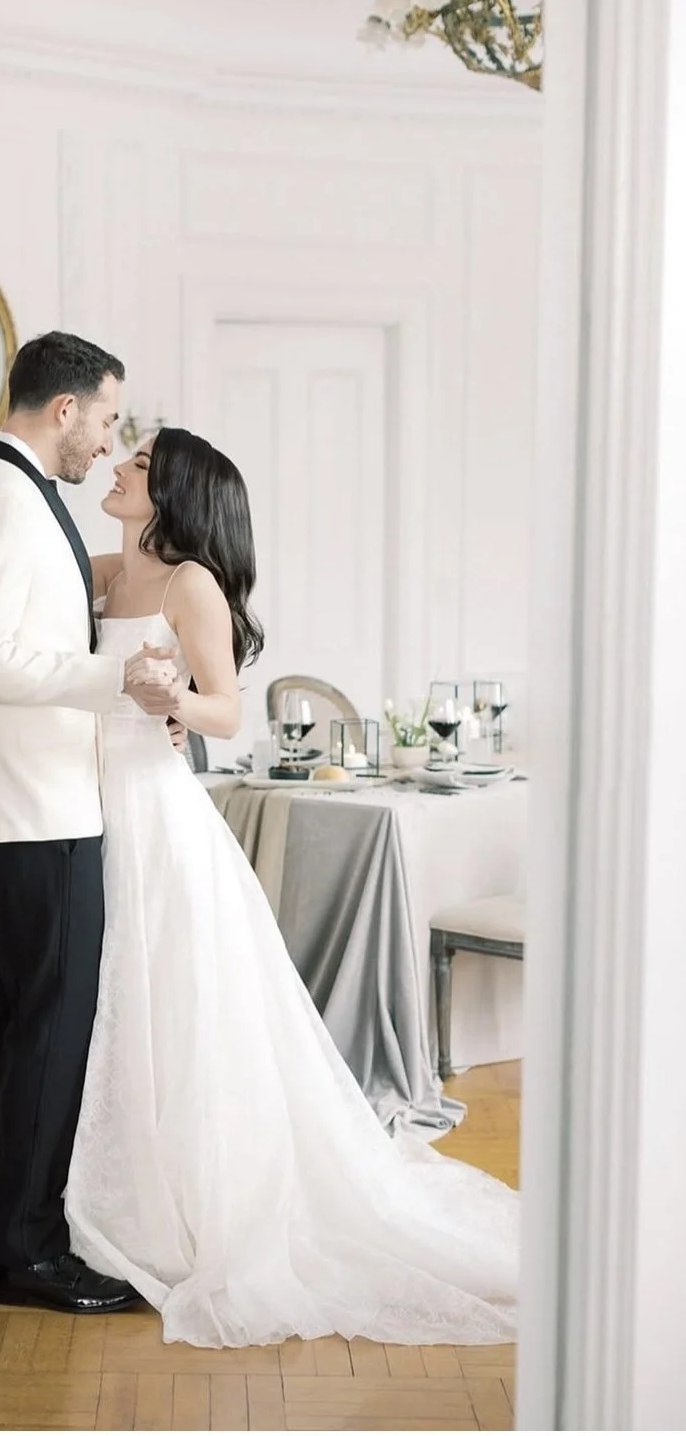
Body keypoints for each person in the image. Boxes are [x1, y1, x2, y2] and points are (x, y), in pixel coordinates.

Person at [63, 426, 520, 1348]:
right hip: (89, 799)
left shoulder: (190, 584)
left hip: (156, 815)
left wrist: (173, 702)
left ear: (176, 491)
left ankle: (184, 1200)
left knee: (168, 997)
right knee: (109, 997)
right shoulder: (107, 573)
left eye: (138, 464)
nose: (117, 466)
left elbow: (226, 712)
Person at [0, 332, 181, 1316]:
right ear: (64, 408)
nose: (108, 440)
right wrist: (120, 678)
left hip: (7, 797)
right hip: (34, 802)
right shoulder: (0, 496)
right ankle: (27, 1251)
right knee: (51, 1017)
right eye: (106, 419)